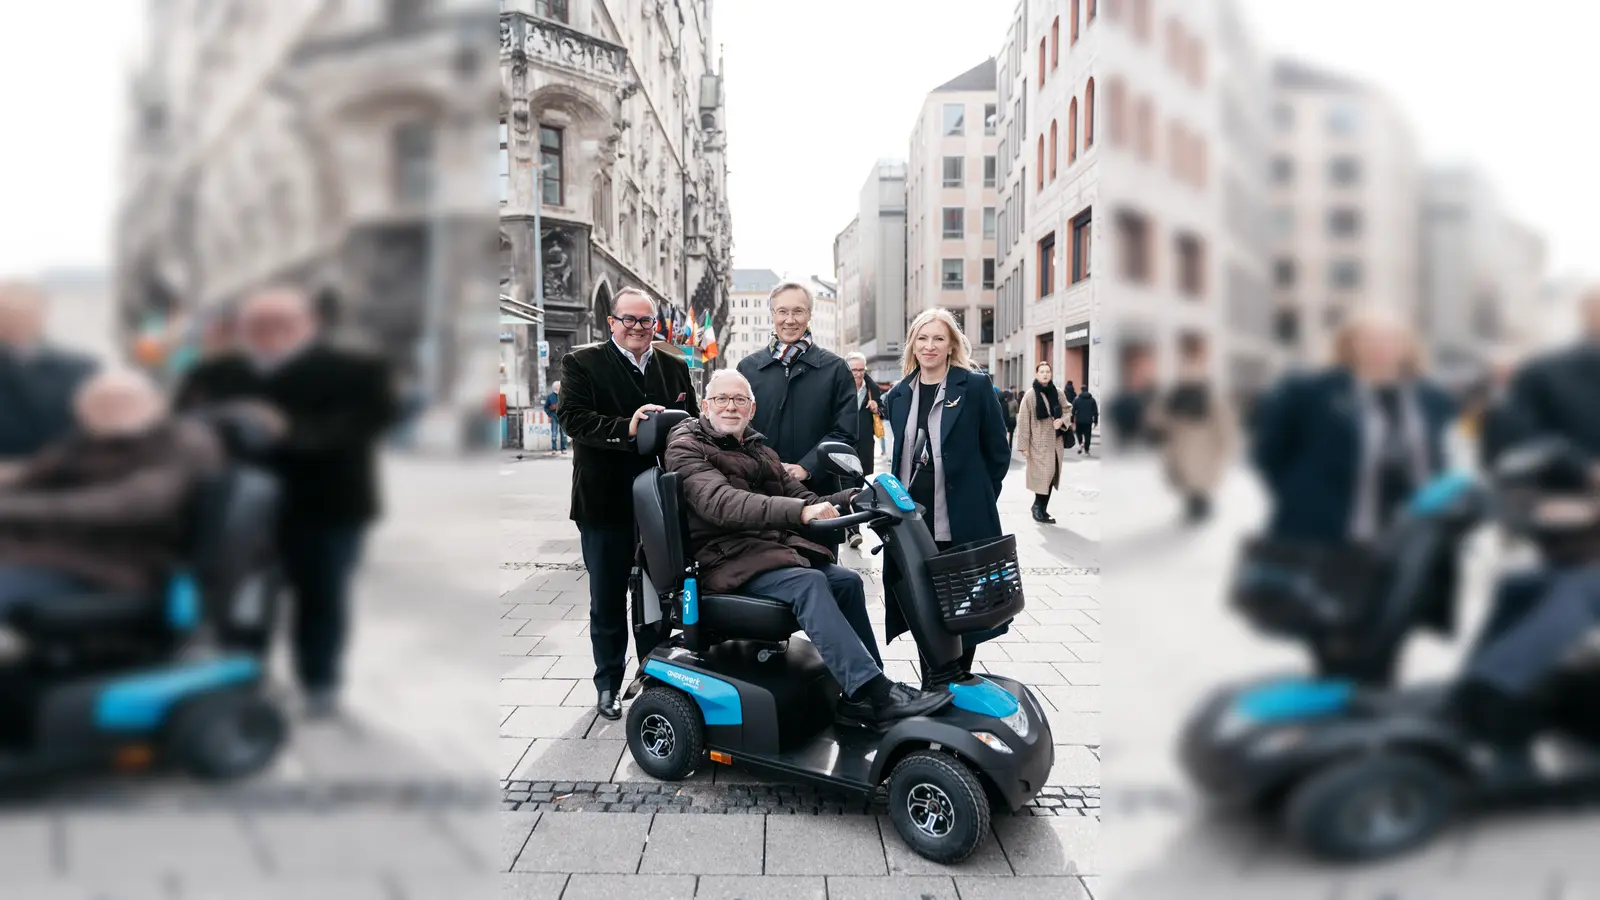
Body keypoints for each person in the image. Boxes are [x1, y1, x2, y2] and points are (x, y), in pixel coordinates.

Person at [665, 370, 952, 727]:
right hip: (722, 559)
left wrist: (857, 498)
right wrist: (800, 511)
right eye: (722, 399)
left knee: (846, 582)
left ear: (751, 409)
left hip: (764, 555)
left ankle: (861, 695)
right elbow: (721, 503)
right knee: (809, 583)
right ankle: (877, 694)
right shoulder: (686, 446)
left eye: (740, 400)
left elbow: (807, 499)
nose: (731, 407)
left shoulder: (761, 450)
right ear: (705, 406)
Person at [173, 285, 399, 718]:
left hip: (326, 508)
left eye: (284, 323)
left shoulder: (356, 370)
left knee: (321, 598)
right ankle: (243, 677)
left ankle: (319, 682)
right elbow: (183, 426)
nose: (270, 333)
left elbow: (366, 422)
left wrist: (284, 430)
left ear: (309, 325)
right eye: (258, 324)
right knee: (240, 596)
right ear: (242, 328)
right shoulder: (215, 373)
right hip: (235, 508)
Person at [558, 287, 699, 720]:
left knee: (661, 595)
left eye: (646, 321)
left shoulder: (676, 365)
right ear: (612, 323)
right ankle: (608, 683)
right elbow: (573, 420)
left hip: (660, 505)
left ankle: (655, 676)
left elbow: (691, 423)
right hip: (603, 503)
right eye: (630, 320)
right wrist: (629, 427)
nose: (638, 328)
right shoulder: (581, 362)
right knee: (607, 598)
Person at [0, 370, 221, 616]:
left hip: (112, 564)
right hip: (48, 550)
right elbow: (30, 475)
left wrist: (16, 508)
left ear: (156, 403)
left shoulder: (181, 441)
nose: (107, 411)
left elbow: (130, 504)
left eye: (120, 403)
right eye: (98, 405)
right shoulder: (90, 439)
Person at [882, 308, 1013, 678]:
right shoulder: (899, 395)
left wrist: (979, 497)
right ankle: (934, 684)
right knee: (924, 608)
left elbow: (997, 452)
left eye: (938, 338)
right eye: (922, 338)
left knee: (965, 609)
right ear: (913, 344)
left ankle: (957, 682)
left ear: (952, 345)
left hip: (961, 522)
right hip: (913, 524)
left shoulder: (974, 387)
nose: (930, 346)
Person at [737, 282, 857, 554]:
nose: (789, 320)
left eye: (798, 312)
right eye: (782, 312)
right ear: (772, 314)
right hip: (761, 499)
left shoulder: (835, 368)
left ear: (810, 315)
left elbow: (845, 432)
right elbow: (736, 429)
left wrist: (807, 467)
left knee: (823, 578)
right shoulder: (748, 369)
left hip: (817, 496)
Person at [1492, 288, 1600, 462]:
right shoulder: (1542, 373)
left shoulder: (1540, 371)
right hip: (1566, 485)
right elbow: (1520, 442)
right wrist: (1582, 469)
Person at [0, 282, 98, 462]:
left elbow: (92, 426)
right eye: (6, 312)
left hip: (64, 471)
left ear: (42, 312)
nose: (15, 319)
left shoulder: (80, 367)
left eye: (23, 312)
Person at [1145, 342, 1236, 524]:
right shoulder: (1176, 393)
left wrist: (1225, 445)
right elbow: (1160, 414)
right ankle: (1195, 504)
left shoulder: (1208, 394)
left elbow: (1223, 423)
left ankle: (1200, 504)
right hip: (1183, 444)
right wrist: (1156, 427)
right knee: (1187, 477)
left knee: (1197, 479)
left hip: (1200, 445)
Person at [1015, 362, 1070, 525]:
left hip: (1055, 443)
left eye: (1048, 371)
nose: (1045, 374)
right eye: (1042, 372)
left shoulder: (1058, 393)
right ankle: (1038, 508)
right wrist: (1023, 446)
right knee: (1042, 477)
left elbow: (1067, 409)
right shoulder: (1030, 395)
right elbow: (1023, 420)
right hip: (1037, 444)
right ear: (1037, 374)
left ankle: (1042, 508)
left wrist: (1062, 421)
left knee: (1052, 477)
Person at [844, 352, 884, 550]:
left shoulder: (872, 389)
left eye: (861, 370)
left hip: (864, 448)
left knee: (858, 489)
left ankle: (850, 525)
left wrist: (877, 408)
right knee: (846, 488)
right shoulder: (840, 388)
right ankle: (853, 530)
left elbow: (883, 411)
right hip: (844, 446)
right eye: (854, 370)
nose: (858, 374)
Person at [1071, 386, 1100, 456]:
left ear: (1081, 390)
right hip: (1088, 421)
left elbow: (1073, 410)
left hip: (1079, 420)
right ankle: (1087, 450)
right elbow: (1095, 412)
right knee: (1087, 436)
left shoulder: (1077, 400)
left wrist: (1071, 420)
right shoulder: (1092, 400)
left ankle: (1081, 443)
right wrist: (1096, 421)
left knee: (1078, 433)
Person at [544, 380, 567, 455]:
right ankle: (554, 449)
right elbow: (546, 407)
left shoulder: (564, 396)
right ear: (555, 387)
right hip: (554, 417)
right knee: (554, 433)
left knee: (564, 434)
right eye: (559, 386)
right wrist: (550, 414)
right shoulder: (550, 397)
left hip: (562, 417)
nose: (560, 387)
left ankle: (564, 449)